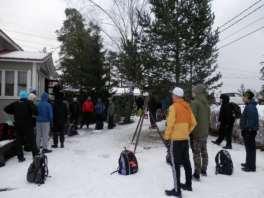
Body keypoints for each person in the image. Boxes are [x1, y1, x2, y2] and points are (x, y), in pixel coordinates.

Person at [164, 87, 197, 197]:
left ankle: (177, 190)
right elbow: (193, 123)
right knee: (186, 162)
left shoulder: (173, 107)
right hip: (185, 140)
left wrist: (167, 137)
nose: (172, 96)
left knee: (175, 165)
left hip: (176, 141)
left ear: (176, 96)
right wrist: (186, 132)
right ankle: (188, 184)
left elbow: (170, 124)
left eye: (173, 94)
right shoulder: (187, 107)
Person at [4, 91, 39, 162]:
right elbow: (36, 112)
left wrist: (14, 112)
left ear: (20, 96)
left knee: (18, 142)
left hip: (18, 126)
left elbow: (6, 109)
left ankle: (20, 158)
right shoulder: (29, 103)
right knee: (32, 141)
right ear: (26, 97)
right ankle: (35, 155)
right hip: (28, 126)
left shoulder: (16, 103)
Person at [190, 84, 210, 181]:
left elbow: (192, 118)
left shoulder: (195, 103)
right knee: (204, 151)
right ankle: (204, 170)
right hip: (205, 131)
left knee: (196, 153)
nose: (192, 93)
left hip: (197, 132)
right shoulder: (206, 104)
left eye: (193, 91)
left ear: (197, 92)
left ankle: (196, 173)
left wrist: (190, 130)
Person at [240, 90, 259, 172]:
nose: (243, 98)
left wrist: (248, 129)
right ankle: (249, 163)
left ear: (248, 97)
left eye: (244, 97)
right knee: (249, 148)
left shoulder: (250, 107)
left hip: (249, 131)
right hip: (248, 130)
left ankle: (251, 166)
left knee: (250, 148)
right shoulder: (249, 105)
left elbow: (252, 120)